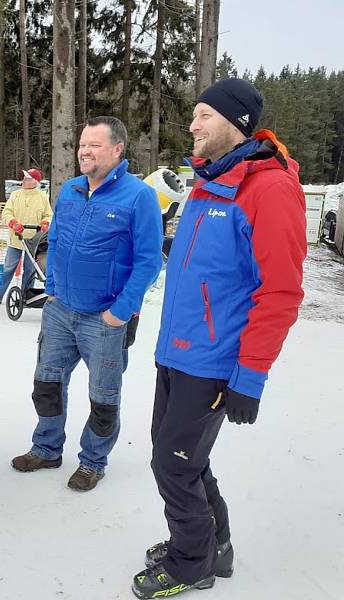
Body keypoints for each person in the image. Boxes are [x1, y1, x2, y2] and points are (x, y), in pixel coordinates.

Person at [132, 79, 307, 599]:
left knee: (173, 462)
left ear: (237, 124)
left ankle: (193, 564)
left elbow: (280, 292)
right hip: (178, 353)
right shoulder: (213, 182)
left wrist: (249, 378)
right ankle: (216, 546)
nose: (193, 124)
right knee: (181, 457)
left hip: (212, 360)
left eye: (204, 114)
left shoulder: (269, 189)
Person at [10, 116, 162, 492]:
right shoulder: (71, 189)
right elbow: (57, 241)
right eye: (82, 143)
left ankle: (93, 461)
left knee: (103, 398)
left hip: (105, 317)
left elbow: (149, 260)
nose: (84, 150)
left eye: (94, 144)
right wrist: (54, 289)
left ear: (117, 149)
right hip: (61, 311)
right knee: (46, 384)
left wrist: (121, 311)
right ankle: (46, 449)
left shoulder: (138, 196)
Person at [0, 168, 52, 304]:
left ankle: (26, 296)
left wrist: (45, 223)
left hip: (34, 240)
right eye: (24, 178)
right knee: (7, 268)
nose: (24, 181)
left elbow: (48, 214)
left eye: (28, 179)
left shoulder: (42, 197)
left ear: (35, 182)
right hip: (16, 238)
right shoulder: (15, 195)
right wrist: (12, 222)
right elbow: (6, 212)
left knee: (30, 270)